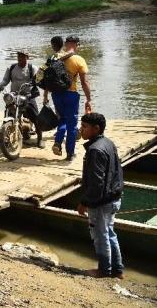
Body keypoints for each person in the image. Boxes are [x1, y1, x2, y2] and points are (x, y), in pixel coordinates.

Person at [77, 113, 124, 279]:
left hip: (101, 201)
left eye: (84, 127)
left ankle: (104, 270)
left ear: (96, 129)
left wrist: (85, 202)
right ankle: (117, 270)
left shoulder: (95, 149)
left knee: (100, 235)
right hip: (114, 197)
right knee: (109, 232)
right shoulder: (108, 143)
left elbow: (97, 183)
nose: (81, 130)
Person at [51, 36, 91, 161]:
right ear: (76, 44)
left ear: (66, 44)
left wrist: (47, 95)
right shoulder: (79, 60)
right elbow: (84, 82)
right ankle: (70, 153)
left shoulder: (55, 57)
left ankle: (58, 141)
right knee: (72, 125)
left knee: (62, 119)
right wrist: (89, 99)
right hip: (71, 94)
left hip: (56, 94)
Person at [0, 50, 41, 146]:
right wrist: (1, 85)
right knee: (9, 115)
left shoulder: (32, 68)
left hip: (28, 96)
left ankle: (40, 138)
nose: (20, 58)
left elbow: (37, 80)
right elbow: (5, 80)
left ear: (27, 57)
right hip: (14, 96)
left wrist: (33, 84)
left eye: (23, 56)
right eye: (19, 56)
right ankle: (7, 136)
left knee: (36, 117)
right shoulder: (11, 67)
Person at [41, 35, 65, 107]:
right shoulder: (69, 55)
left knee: (59, 114)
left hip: (57, 90)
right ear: (62, 44)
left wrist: (45, 95)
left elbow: (46, 75)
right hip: (70, 90)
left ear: (53, 45)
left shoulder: (52, 58)